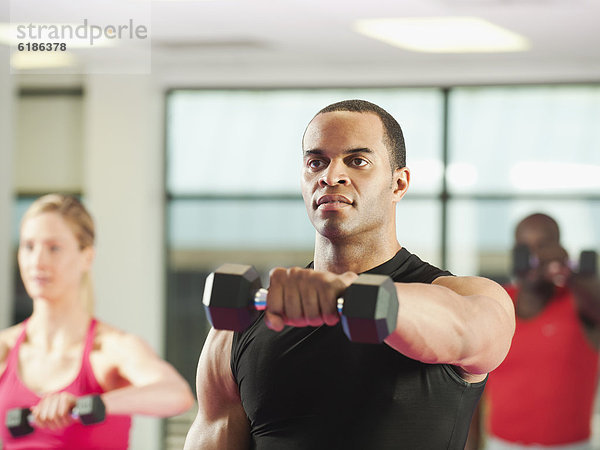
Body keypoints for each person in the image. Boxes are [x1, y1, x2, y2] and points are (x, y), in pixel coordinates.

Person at [184, 99, 516, 450]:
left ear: (398, 184)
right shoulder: (238, 331)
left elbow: (469, 329)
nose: (331, 176)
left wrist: (347, 293)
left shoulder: (465, 296)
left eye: (357, 161)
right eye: (316, 162)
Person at [0, 194, 195, 449]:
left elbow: (177, 395)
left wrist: (93, 404)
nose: (37, 261)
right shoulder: (5, 347)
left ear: (87, 257)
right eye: (28, 246)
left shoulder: (111, 348)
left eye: (54, 248)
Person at [467, 213, 600, 450]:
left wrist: (569, 271)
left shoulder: (580, 302)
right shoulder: (497, 301)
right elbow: (472, 383)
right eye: (525, 248)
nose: (534, 256)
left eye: (544, 246)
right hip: (503, 444)